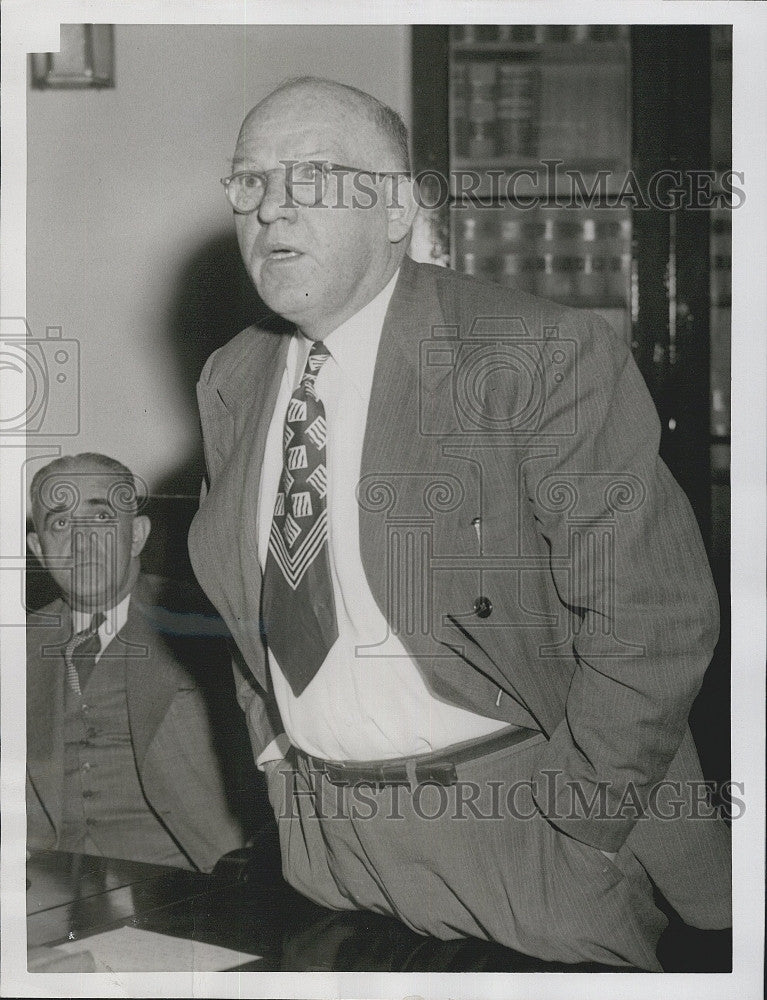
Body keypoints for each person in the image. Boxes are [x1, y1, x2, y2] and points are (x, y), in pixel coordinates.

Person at [188, 77, 731, 968]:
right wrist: (281, 764)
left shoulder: (531, 352)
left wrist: (581, 820)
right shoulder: (233, 377)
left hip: (524, 832)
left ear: (398, 206)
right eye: (249, 181)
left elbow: (656, 615)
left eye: (312, 177)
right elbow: (250, 602)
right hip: (325, 846)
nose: (271, 207)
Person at [27, 452, 258, 872]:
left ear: (135, 535)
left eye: (99, 519)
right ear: (38, 549)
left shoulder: (205, 622)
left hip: (187, 887)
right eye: (59, 523)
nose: (80, 541)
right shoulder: (15, 645)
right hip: (49, 889)